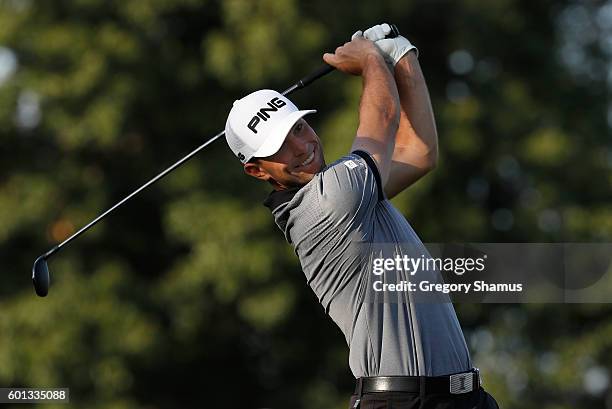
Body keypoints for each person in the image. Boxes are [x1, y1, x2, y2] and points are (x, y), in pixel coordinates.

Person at [224, 23, 500, 409]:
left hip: (465, 399)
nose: (302, 146)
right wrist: (370, 57)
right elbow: (383, 117)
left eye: (300, 127)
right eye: (280, 146)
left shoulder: (351, 193)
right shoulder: (329, 202)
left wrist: (402, 56)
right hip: (402, 403)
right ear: (257, 170)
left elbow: (420, 154)